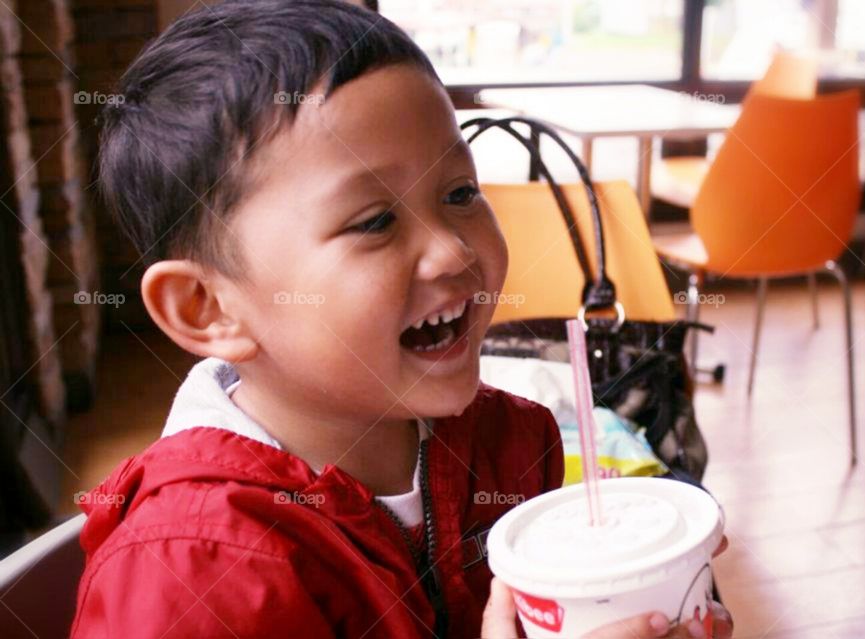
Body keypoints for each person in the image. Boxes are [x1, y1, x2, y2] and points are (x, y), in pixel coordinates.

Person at [71, 2, 732, 637]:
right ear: (208, 307)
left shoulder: (511, 444)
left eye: (461, 192)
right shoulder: (193, 572)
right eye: (375, 221)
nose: (454, 249)